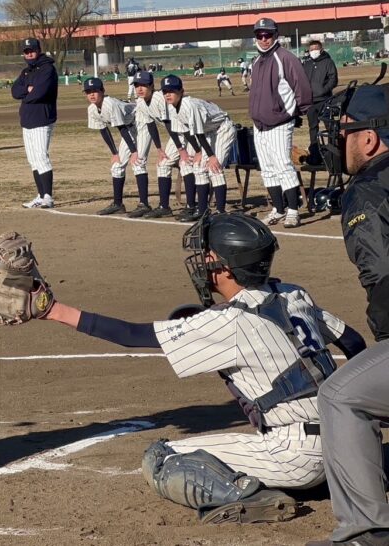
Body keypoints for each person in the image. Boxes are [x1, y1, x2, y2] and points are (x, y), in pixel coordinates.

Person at [26, 211, 365, 525]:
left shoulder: (227, 323)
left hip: (296, 457)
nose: (202, 261)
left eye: (208, 256)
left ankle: (256, 498)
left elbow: (131, 335)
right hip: (347, 441)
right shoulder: (294, 294)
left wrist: (53, 311)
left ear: (226, 267)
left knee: (162, 457)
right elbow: (352, 342)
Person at [305, 84, 389, 546]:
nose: (338, 143)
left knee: (342, 394)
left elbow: (386, 283)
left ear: (370, 140)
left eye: (344, 133)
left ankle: (366, 530)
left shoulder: (368, 189)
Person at [249, 17, 313, 228]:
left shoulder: (285, 58)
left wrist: (300, 112)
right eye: (260, 35)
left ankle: (293, 210)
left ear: (275, 35)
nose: (264, 39)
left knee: (283, 166)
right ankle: (278, 209)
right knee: (267, 169)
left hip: (279, 122)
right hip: (259, 124)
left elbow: (301, 87)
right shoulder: (256, 62)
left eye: (268, 35)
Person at [163, 75, 236, 221]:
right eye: (165, 91)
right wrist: (198, 151)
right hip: (208, 131)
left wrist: (211, 156)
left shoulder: (189, 105)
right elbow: (185, 132)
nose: (168, 94)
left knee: (214, 168)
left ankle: (220, 211)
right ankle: (203, 210)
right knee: (198, 167)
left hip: (222, 128)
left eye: (172, 91)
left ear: (181, 91)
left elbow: (198, 133)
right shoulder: (172, 108)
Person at [85, 77, 143, 215]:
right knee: (117, 167)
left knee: (138, 163)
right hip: (129, 129)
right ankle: (118, 204)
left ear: (103, 91)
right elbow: (103, 130)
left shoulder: (110, 104)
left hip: (140, 123)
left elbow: (122, 128)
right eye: (88, 92)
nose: (92, 94)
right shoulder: (92, 109)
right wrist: (114, 153)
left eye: (95, 91)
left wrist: (134, 151)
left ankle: (144, 204)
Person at [12, 37, 58, 209]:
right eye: (26, 51)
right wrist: (27, 89)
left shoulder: (47, 69)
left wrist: (29, 92)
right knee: (33, 159)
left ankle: (48, 196)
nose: (29, 53)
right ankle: (40, 195)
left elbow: (39, 92)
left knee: (41, 157)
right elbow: (15, 91)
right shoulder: (26, 72)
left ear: (38, 50)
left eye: (31, 50)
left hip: (42, 118)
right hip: (27, 119)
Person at [132, 71, 182, 219]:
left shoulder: (159, 98)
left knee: (186, 165)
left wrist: (181, 149)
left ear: (152, 86)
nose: (140, 88)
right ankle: (165, 206)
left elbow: (168, 124)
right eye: (136, 85)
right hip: (178, 132)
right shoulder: (141, 102)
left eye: (144, 85)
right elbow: (150, 125)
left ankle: (170, 206)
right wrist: (159, 149)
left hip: (186, 131)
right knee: (164, 164)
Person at [303, 40, 338, 165]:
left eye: (316, 49)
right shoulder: (306, 64)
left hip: (325, 100)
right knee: (313, 127)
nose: (313, 51)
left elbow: (333, 79)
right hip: (311, 102)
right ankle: (315, 153)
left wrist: (324, 90)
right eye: (311, 49)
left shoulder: (328, 62)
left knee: (330, 127)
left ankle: (333, 154)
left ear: (321, 49)